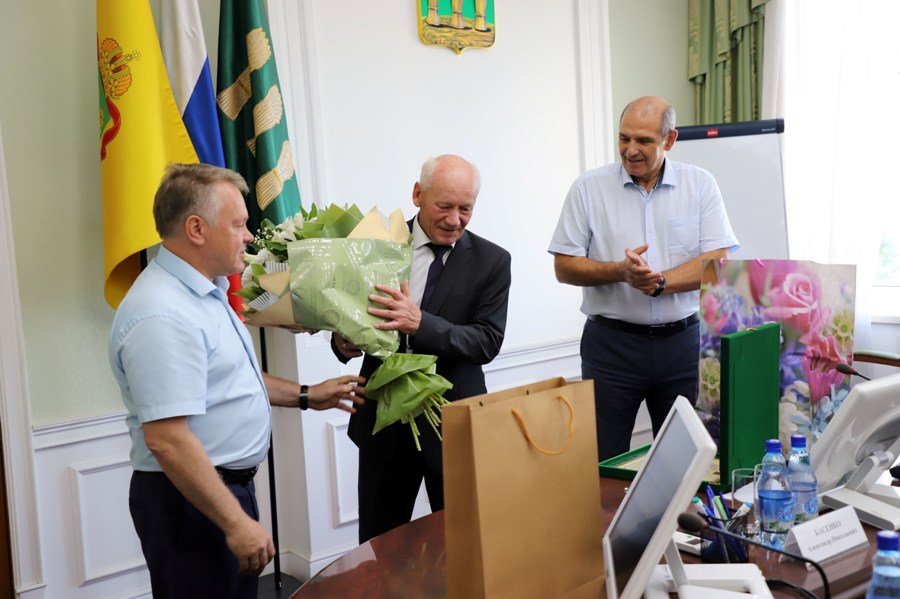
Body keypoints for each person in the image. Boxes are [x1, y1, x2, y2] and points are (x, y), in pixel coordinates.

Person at [108, 163, 366, 599]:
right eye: (239, 224)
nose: (249, 236)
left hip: (216, 492)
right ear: (196, 229)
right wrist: (234, 521)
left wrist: (306, 396)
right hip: (193, 502)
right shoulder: (162, 313)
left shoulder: (202, 292)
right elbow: (167, 439)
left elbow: (230, 380)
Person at [548, 96, 739, 462]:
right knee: (603, 459)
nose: (630, 149)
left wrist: (660, 282)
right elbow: (564, 265)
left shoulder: (700, 184)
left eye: (643, 141)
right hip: (611, 348)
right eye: (624, 138)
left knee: (685, 458)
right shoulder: (588, 188)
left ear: (670, 140)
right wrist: (620, 272)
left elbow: (718, 261)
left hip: (683, 346)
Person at [332, 154, 512, 544]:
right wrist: (342, 340)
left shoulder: (493, 261)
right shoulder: (373, 246)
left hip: (452, 425)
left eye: (466, 209)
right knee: (380, 545)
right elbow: (349, 313)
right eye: (444, 206)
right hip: (382, 422)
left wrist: (421, 324)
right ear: (417, 195)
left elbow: (486, 341)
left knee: (461, 546)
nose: (455, 220)